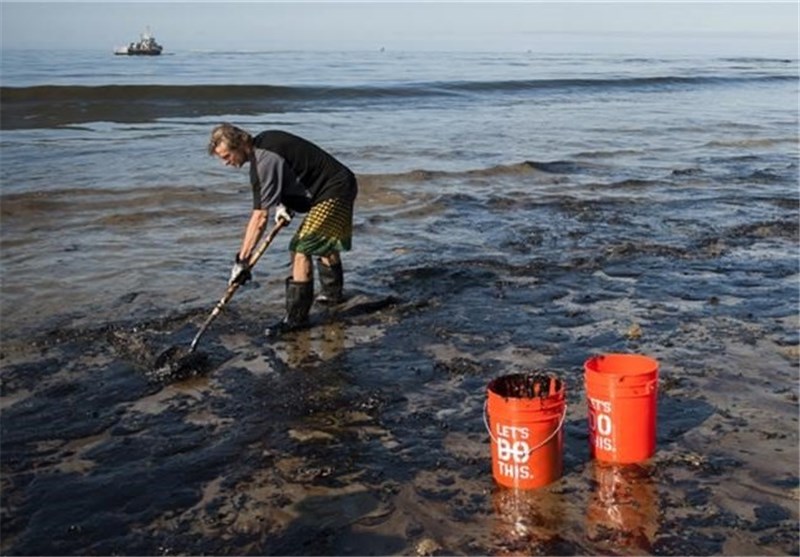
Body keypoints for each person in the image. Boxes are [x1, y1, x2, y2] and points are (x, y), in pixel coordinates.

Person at [207, 124, 358, 336]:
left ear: (240, 143)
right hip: (340, 183)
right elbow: (294, 170)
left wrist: (242, 261)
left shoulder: (263, 160)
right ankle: (333, 297)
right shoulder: (267, 142)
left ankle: (296, 319)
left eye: (227, 156)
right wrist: (283, 204)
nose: (226, 163)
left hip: (333, 190)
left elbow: (259, 218)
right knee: (322, 242)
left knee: (300, 248)